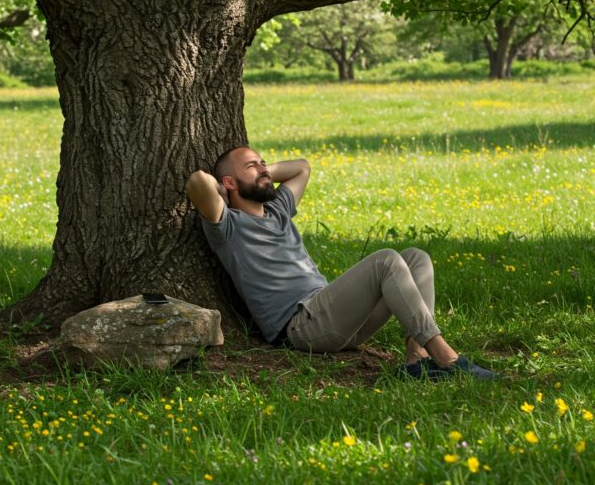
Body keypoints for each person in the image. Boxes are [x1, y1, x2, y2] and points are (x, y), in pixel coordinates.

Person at [186, 146, 498, 379]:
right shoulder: (228, 226)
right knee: (386, 261)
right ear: (229, 181)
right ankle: (447, 358)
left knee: (417, 257)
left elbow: (302, 168)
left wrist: (261, 172)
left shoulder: (278, 210)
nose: (264, 169)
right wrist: (225, 190)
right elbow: (199, 181)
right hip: (301, 325)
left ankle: (416, 360)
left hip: (337, 320)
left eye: (263, 162)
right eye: (252, 166)